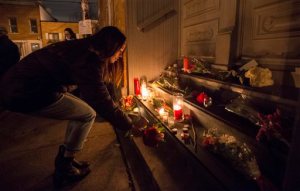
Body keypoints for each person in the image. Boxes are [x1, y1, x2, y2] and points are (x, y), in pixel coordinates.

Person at [0, 26, 138, 187]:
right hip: (24, 91)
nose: (121, 54)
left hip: (23, 85)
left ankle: (66, 157)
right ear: (110, 46)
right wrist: (129, 124)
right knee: (87, 114)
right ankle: (65, 165)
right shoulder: (89, 60)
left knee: (82, 112)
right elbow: (100, 100)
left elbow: (96, 88)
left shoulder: (84, 48)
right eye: (120, 50)